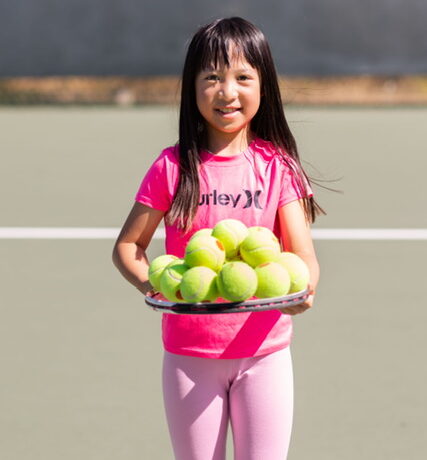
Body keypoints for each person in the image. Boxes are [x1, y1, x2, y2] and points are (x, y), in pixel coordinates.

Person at [112, 16, 323, 460]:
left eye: (243, 77)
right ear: (192, 88)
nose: (227, 92)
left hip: (264, 354)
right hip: (190, 356)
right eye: (212, 77)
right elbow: (129, 248)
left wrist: (304, 290)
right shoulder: (172, 167)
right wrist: (156, 286)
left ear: (264, 86)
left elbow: (304, 258)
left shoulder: (278, 167)